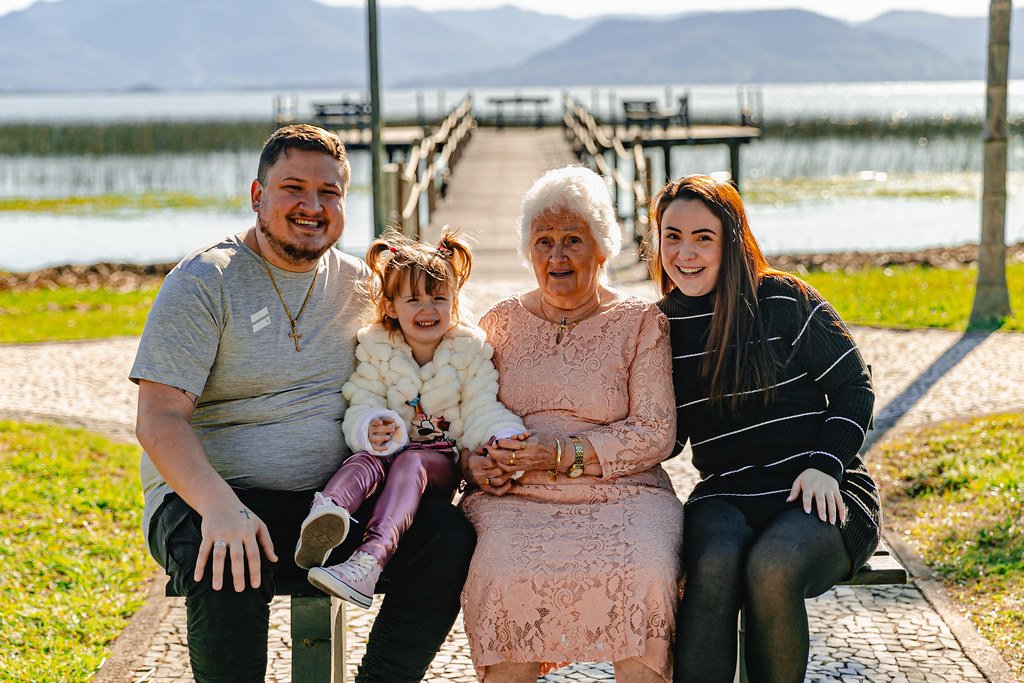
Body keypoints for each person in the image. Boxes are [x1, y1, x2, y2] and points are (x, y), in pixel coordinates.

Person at [131, 124, 475, 683]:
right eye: (294, 187)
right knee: (225, 558)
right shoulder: (203, 282)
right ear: (257, 194)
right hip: (214, 497)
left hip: (332, 505)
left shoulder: (364, 286)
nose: (313, 206)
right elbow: (159, 419)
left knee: (447, 537)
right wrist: (221, 507)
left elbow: (429, 356)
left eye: (330, 193)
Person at [648, 175, 880, 683]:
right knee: (712, 566)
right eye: (672, 235)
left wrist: (827, 466)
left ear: (731, 239)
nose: (685, 252)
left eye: (702, 237)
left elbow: (854, 388)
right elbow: (663, 435)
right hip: (726, 495)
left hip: (819, 488)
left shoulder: (783, 298)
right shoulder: (658, 328)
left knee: (771, 569)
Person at [459, 166, 683, 682]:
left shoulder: (640, 323)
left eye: (573, 240)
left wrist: (561, 454)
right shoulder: (500, 324)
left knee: (646, 570)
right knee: (501, 571)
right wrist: (474, 465)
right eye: (544, 241)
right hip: (517, 500)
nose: (557, 256)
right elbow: (463, 417)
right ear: (528, 251)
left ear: (602, 247)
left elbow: (655, 431)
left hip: (623, 494)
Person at [294, 228, 526, 609]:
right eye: (413, 300)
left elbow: (483, 406)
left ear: (453, 304)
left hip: (435, 465)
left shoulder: (468, 352)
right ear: (389, 306)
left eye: (438, 298)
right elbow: (362, 397)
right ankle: (327, 515)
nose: (427, 309)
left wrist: (502, 435)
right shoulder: (376, 349)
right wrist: (371, 424)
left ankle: (369, 560)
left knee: (411, 460)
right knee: (365, 458)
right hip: (391, 455)